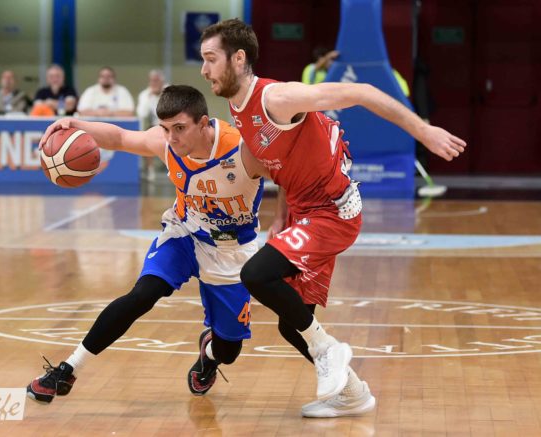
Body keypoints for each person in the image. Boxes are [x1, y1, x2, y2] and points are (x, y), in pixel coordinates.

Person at [199, 18, 466, 418]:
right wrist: (280, 217)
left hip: (332, 212)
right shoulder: (239, 110)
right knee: (292, 323)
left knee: (256, 274)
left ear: (238, 59)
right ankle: (353, 394)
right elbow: (283, 166)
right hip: (304, 214)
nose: (204, 69)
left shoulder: (277, 97)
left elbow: (361, 91)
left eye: (210, 59)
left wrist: (423, 132)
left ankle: (328, 350)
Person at [26, 85, 270, 403]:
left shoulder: (242, 149)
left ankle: (209, 355)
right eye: (166, 129)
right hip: (184, 233)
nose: (172, 137)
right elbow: (119, 138)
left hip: (231, 249)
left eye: (179, 128)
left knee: (229, 351)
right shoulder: (165, 143)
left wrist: (285, 221)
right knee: (143, 294)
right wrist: (75, 124)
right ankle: (68, 369)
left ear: (203, 123)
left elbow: (291, 178)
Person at [136, 69, 167, 180]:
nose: (154, 83)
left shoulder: (170, 91)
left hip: (170, 124)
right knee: (146, 136)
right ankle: (150, 170)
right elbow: (141, 113)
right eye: (152, 81)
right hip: (154, 126)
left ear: (162, 81)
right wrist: (150, 98)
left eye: (157, 80)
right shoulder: (145, 95)